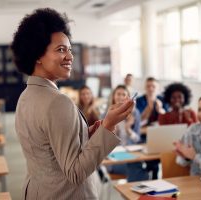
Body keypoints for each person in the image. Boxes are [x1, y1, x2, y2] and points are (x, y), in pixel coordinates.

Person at [11, 8, 134, 199]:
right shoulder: (58, 102)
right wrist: (109, 125)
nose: (70, 57)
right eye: (61, 50)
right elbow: (75, 172)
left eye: (69, 49)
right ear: (37, 55)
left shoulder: (26, 96)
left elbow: (47, 150)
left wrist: (85, 134)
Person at [107, 85, 148, 182]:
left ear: (128, 98)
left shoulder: (135, 113)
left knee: (137, 167)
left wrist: (128, 129)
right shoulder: (107, 114)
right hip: (112, 157)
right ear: (113, 96)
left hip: (130, 154)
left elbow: (137, 139)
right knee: (138, 171)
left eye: (124, 94)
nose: (121, 97)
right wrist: (113, 130)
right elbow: (102, 142)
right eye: (118, 94)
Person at [136, 77, 167, 180]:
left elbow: (167, 120)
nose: (150, 89)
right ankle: (152, 174)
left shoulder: (163, 100)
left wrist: (160, 110)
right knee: (151, 153)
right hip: (143, 134)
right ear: (145, 87)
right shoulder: (140, 100)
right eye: (148, 86)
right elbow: (138, 122)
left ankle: (154, 173)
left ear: (158, 88)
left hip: (160, 135)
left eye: (153, 86)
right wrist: (148, 109)